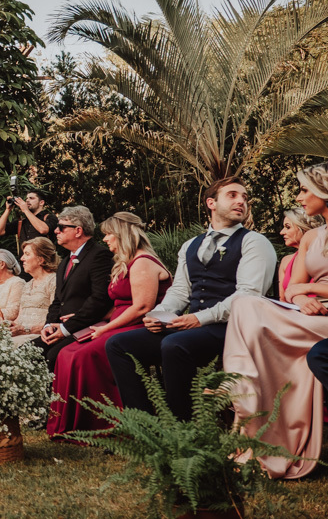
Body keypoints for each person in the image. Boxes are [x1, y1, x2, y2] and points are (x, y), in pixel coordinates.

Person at [107, 177, 275, 422]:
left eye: (245, 197)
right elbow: (179, 291)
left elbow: (247, 296)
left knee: (175, 345)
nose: (241, 201)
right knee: (119, 345)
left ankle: (183, 427)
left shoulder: (254, 242)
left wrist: (198, 319)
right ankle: (143, 426)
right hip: (191, 327)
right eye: (232, 195)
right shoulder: (190, 245)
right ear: (211, 203)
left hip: (234, 328)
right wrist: (159, 314)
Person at [223, 162, 328, 479]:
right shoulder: (312, 238)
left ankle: (238, 399)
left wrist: (308, 289)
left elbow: (301, 283)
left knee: (250, 314)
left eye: (304, 189)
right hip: (308, 314)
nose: (299, 197)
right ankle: (254, 421)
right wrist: (302, 299)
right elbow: (291, 291)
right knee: (245, 306)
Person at [47, 212, 171, 437]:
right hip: (118, 322)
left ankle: (106, 423)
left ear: (122, 235)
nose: (105, 239)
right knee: (67, 352)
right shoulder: (126, 262)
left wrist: (105, 328)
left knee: (83, 355)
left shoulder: (143, 262)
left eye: (109, 235)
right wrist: (95, 319)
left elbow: (141, 307)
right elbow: (119, 304)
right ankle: (77, 423)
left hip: (141, 325)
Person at [36, 206, 114, 369]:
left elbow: (99, 299)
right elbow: (58, 300)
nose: (56, 230)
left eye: (61, 227)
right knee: (26, 352)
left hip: (87, 327)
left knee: (53, 358)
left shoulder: (100, 256)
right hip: (60, 328)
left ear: (78, 231)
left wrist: (65, 329)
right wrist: (48, 325)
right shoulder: (64, 262)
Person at [9, 237, 58, 345]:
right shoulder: (27, 285)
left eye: (27, 254)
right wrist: (9, 325)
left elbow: (55, 319)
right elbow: (19, 317)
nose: (22, 258)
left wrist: (25, 330)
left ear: (41, 259)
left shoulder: (53, 281)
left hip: (39, 336)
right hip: (20, 334)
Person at [0, 189, 59, 256]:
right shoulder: (22, 222)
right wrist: (8, 210)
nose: (27, 200)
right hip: (24, 264)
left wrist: (25, 210)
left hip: (44, 264)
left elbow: (43, 230)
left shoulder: (50, 217)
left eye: (31, 198)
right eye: (27, 198)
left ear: (41, 202)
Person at [279, 208, 320, 301]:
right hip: (292, 313)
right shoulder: (286, 261)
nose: (282, 232)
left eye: (288, 227)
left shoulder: (322, 257)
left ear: (304, 229)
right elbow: (282, 300)